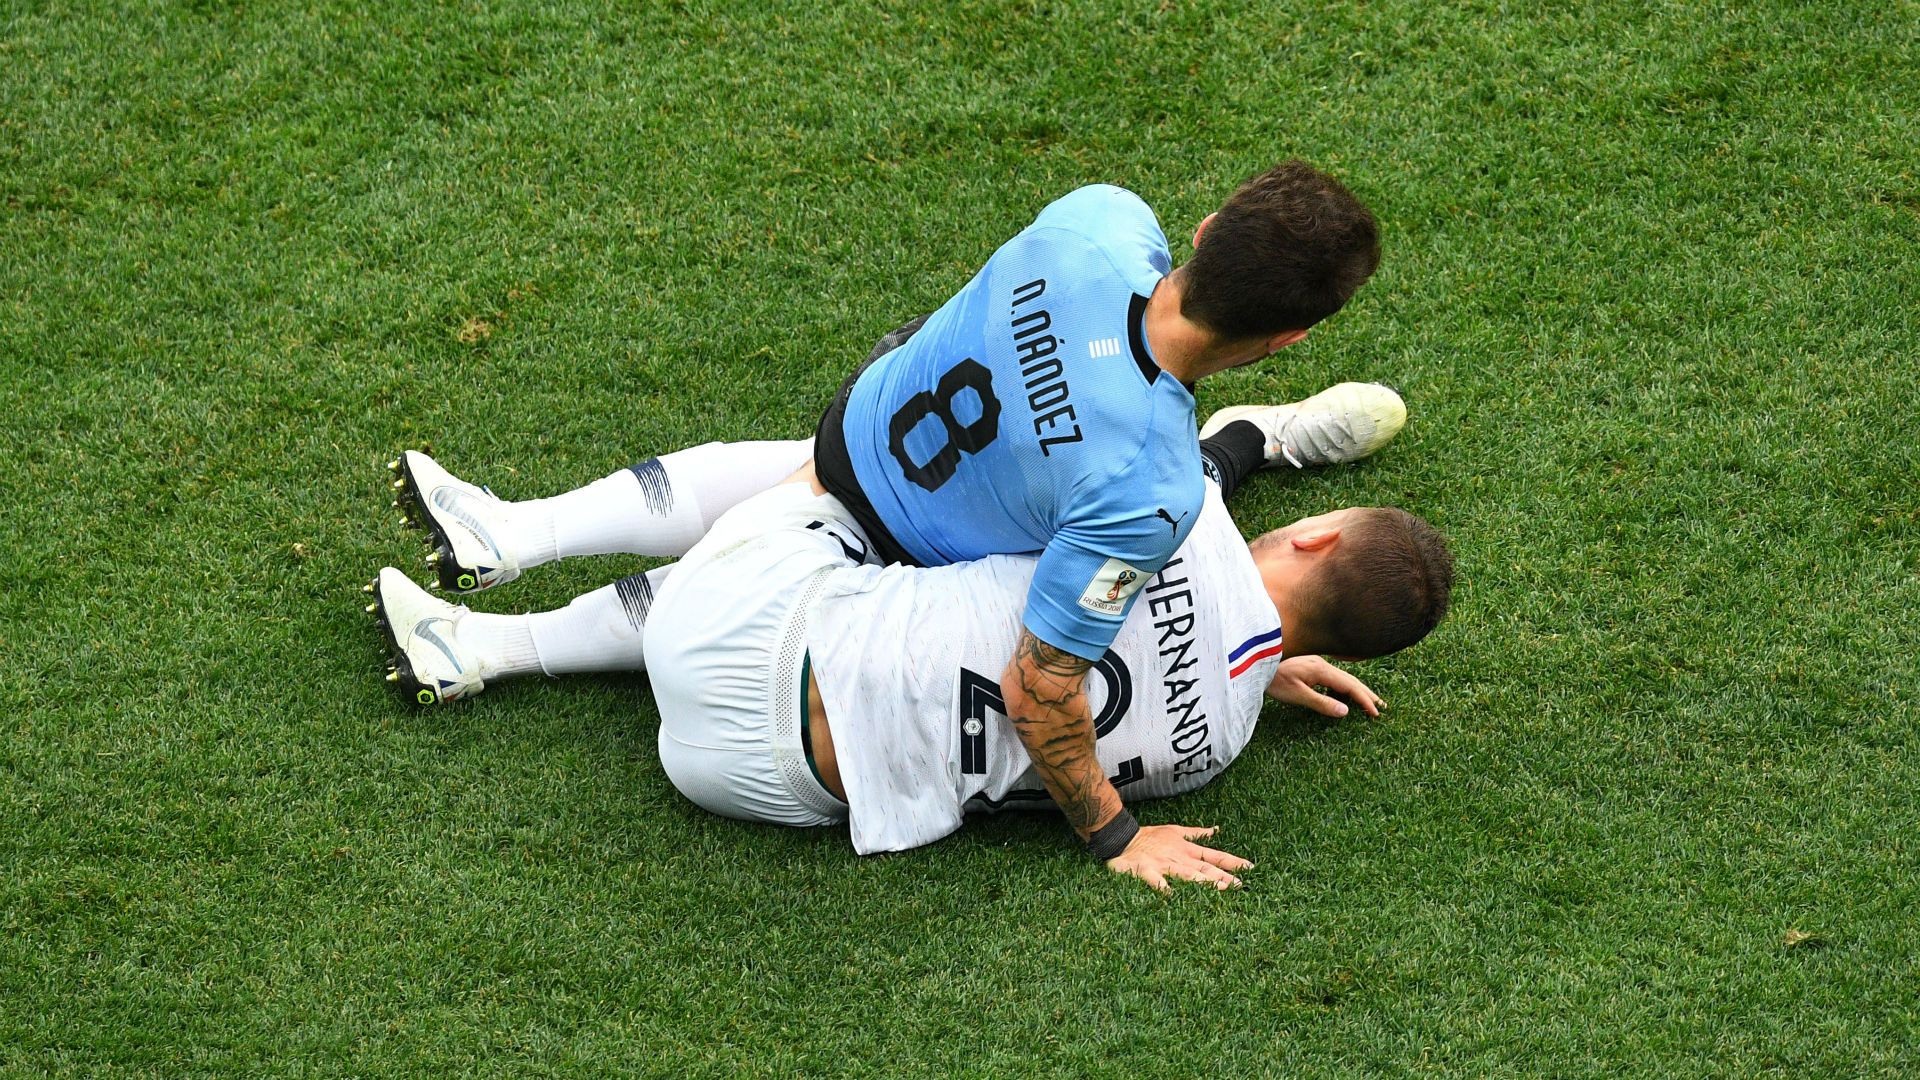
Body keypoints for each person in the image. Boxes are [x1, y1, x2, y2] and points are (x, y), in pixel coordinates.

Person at [399, 161, 1399, 884]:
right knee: (856, 563)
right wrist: (1114, 834)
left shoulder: (1099, 220)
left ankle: (516, 541)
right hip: (804, 707)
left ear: (1207, 223)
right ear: (1289, 339)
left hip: (862, 436)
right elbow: (1045, 682)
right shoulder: (1150, 488)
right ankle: (494, 623)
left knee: (777, 496)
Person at [369, 413, 1452, 891]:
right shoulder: (1223, 746)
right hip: (758, 789)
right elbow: (1193, 649)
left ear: (1312, 533)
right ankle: (471, 646)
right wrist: (1261, 662)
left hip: (739, 637)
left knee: (859, 473)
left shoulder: (1186, 520)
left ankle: (515, 542)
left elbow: (1213, 459)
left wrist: (1266, 438)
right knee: (861, 585)